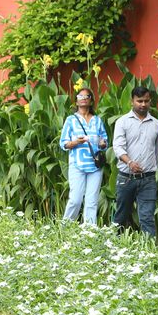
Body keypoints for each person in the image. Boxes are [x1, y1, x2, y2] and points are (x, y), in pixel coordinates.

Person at [112, 85, 158, 236]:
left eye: (146, 101)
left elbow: (156, 150)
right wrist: (130, 163)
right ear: (132, 101)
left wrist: (151, 168)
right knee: (121, 216)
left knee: (147, 217)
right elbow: (118, 147)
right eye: (139, 101)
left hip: (148, 179)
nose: (143, 104)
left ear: (150, 101)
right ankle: (113, 245)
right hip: (126, 178)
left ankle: (149, 248)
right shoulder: (122, 122)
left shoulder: (156, 124)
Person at [59, 87, 109, 224]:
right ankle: (65, 228)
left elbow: (105, 141)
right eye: (80, 96)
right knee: (75, 200)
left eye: (87, 96)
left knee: (92, 201)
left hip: (95, 165)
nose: (83, 99)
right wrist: (76, 142)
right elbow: (63, 143)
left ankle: (89, 231)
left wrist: (103, 143)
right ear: (76, 101)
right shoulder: (71, 120)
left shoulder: (97, 120)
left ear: (91, 101)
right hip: (77, 164)